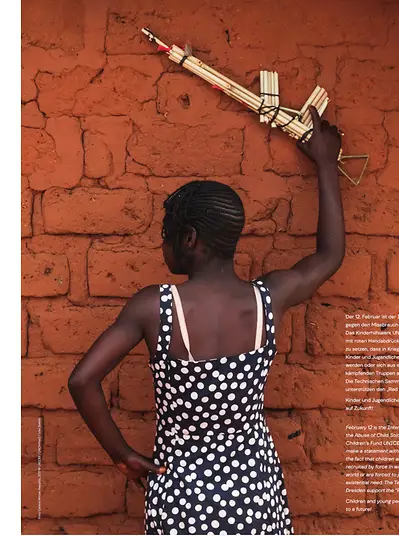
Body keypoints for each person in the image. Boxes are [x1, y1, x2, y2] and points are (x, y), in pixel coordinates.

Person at [68, 106, 346, 535]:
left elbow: (82, 380)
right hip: (255, 493)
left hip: (181, 497)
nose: (162, 242)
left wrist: (122, 455)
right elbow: (328, 256)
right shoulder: (268, 299)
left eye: (166, 233)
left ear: (190, 238)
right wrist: (326, 164)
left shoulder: (154, 308)